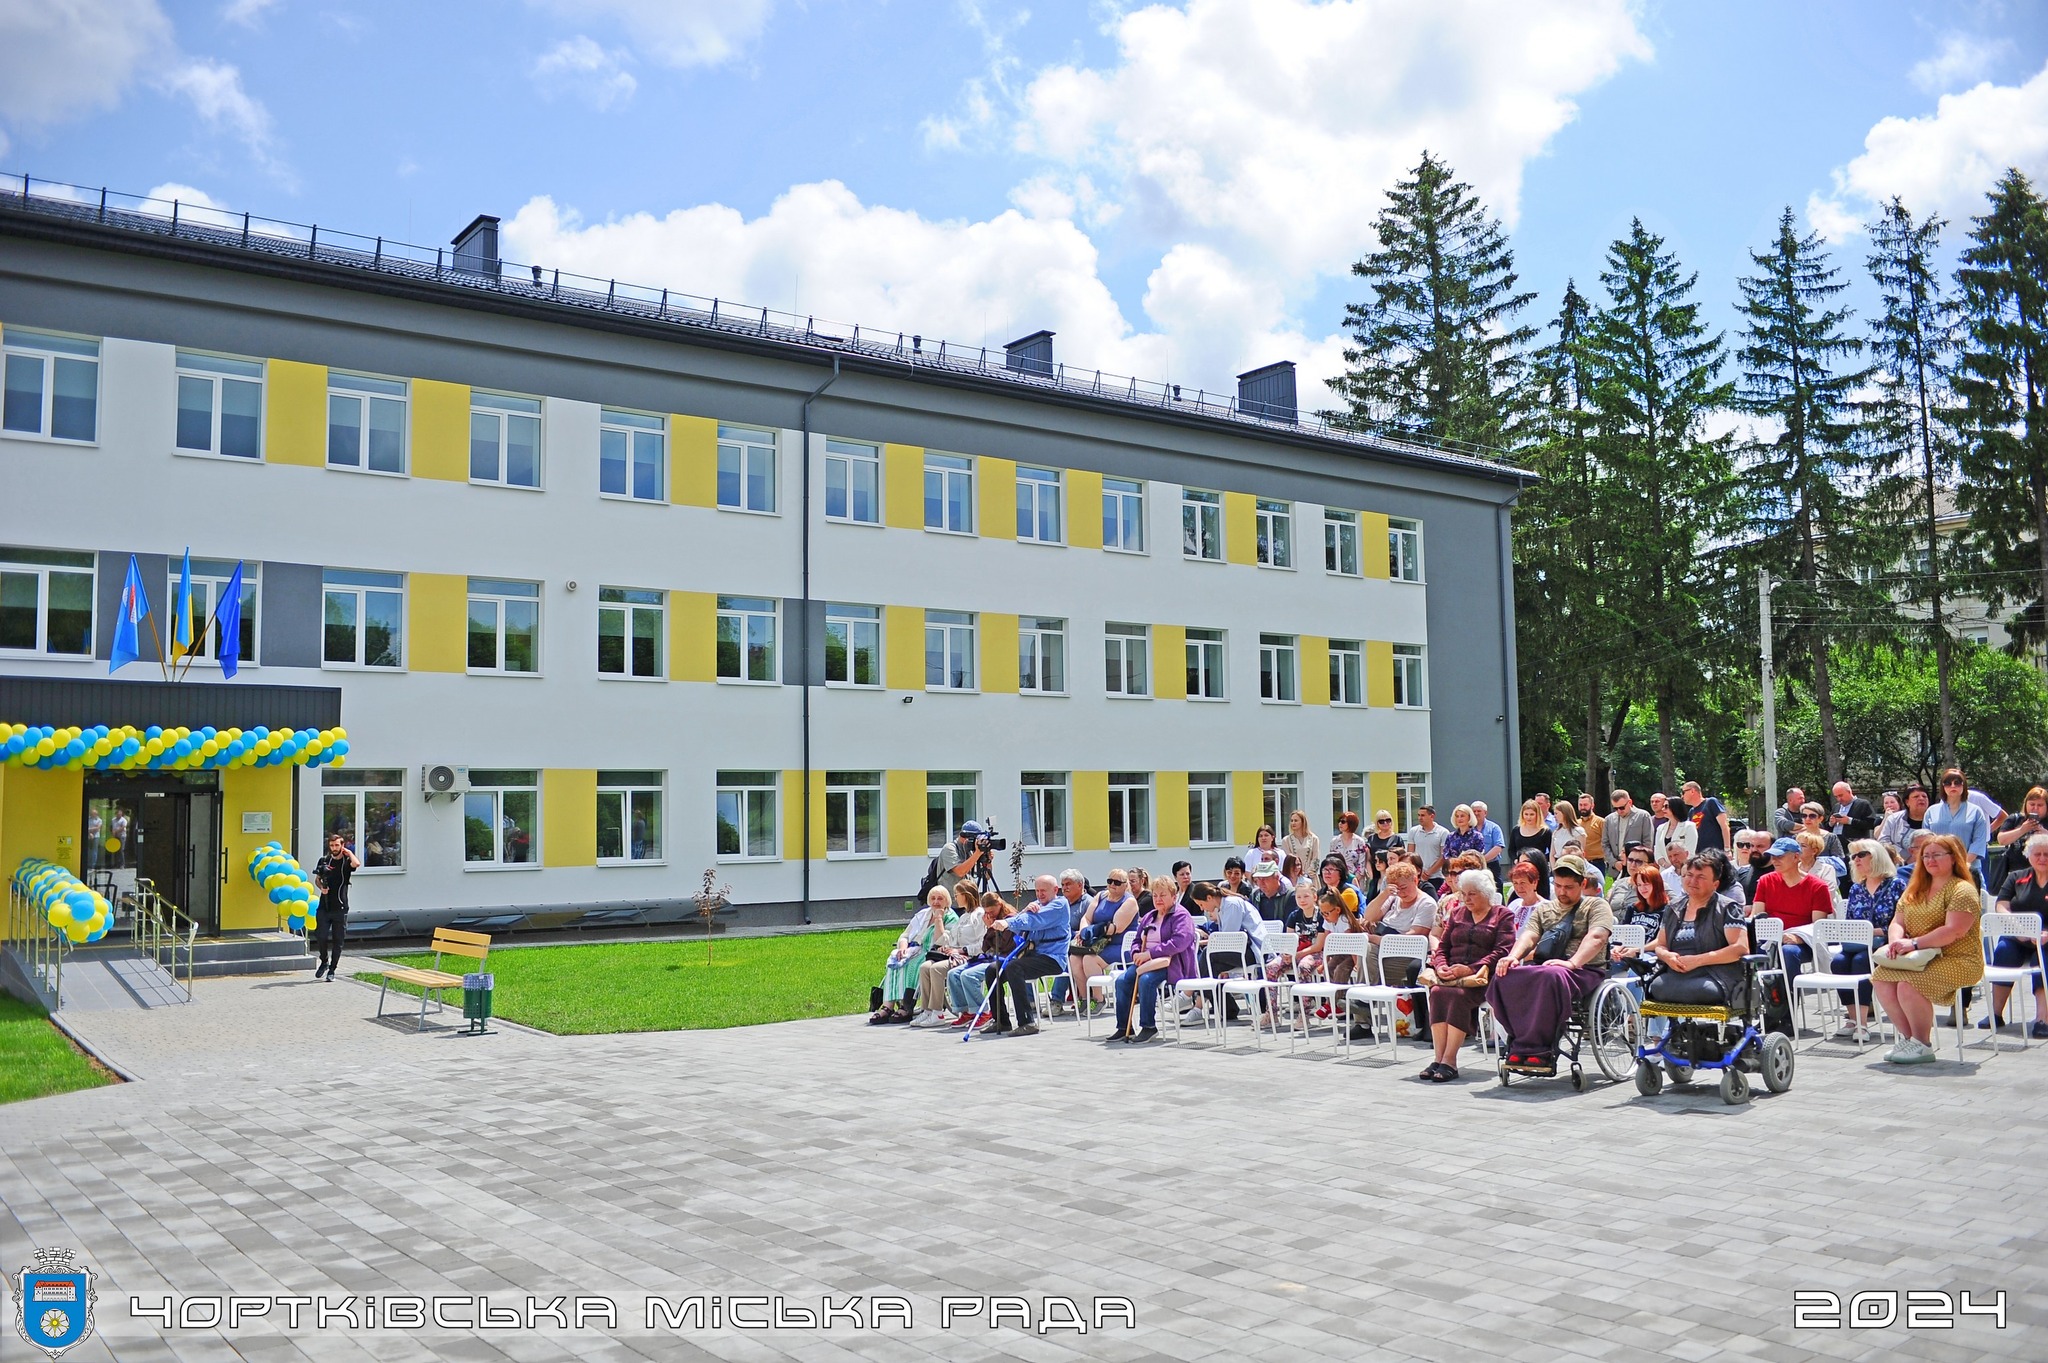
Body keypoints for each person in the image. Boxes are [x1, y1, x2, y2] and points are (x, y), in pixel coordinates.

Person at [1487, 856, 1615, 1074]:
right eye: (1558, 886)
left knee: (1552, 975)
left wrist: (1572, 963)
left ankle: (1540, 1049)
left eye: (1569, 887)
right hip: (1547, 967)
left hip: (1585, 969)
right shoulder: (1545, 910)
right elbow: (1529, 936)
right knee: (1504, 976)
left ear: (1583, 884)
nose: (1562, 892)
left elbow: (1597, 937)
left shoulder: (1597, 906)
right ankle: (1520, 1043)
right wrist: (1512, 957)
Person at [1873, 833, 1985, 1064]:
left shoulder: (1962, 890)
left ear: (1954, 858)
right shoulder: (1915, 888)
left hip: (1959, 959)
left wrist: (1913, 943)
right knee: (1881, 979)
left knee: (1908, 985)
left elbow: (1954, 930)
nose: (1930, 860)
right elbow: (1897, 921)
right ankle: (1910, 1040)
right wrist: (1895, 941)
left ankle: (1922, 1044)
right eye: (1925, 856)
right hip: (1918, 957)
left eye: (1937, 855)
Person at [1419, 869, 1518, 1082]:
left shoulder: (1502, 915)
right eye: (1464, 893)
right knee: (1436, 992)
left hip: (1483, 977)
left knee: (1458, 996)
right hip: (1451, 974)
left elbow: (1502, 950)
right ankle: (1438, 1059)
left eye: (1472, 894)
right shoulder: (1457, 914)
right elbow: (1443, 946)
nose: (1466, 898)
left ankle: (1450, 1061)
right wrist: (1441, 966)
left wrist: (1471, 968)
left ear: (1486, 893)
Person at [1642, 856, 1751, 1009]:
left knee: (1703, 990)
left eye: (1701, 877)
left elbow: (1740, 948)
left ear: (1715, 884)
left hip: (1714, 975)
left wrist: (1698, 960)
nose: (1693, 881)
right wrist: (1667, 956)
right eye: (1689, 875)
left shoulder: (1727, 908)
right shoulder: (1673, 907)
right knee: (1657, 987)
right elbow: (1661, 945)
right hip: (1676, 973)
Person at [1108, 875, 1199, 1044]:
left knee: (1146, 981)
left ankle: (1149, 1027)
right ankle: (1123, 1027)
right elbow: (1136, 940)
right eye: (1155, 895)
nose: (1158, 899)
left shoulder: (1181, 916)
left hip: (1171, 963)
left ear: (1173, 896)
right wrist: (1135, 953)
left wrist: (1150, 954)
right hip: (1144, 961)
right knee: (1121, 981)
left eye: (1162, 895)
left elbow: (1179, 942)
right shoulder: (1150, 916)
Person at [1356, 858, 1438, 1041]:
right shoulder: (1393, 899)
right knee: (1366, 951)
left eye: (1404, 887)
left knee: (1368, 954)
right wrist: (1385, 894)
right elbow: (1369, 916)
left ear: (1416, 881)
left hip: (1407, 955)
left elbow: (1415, 936)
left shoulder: (1426, 904)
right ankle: (1362, 1008)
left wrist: (1377, 939)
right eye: (1396, 888)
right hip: (1382, 949)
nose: (1401, 892)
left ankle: (1362, 1010)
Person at [985, 873, 1076, 1037]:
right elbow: (1021, 928)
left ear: (1055, 890)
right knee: (993, 969)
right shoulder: (1034, 905)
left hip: (1052, 958)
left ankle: (1027, 1022)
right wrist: (1023, 912)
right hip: (1032, 956)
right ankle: (1001, 1020)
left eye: (1044, 891)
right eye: (1037, 891)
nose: (1039, 895)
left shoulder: (1060, 905)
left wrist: (1008, 922)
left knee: (1014, 967)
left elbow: (1036, 921)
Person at [1834, 839, 1906, 1040]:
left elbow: (1903, 921)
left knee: (1860, 962)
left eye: (1861, 855)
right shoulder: (1857, 888)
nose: (1855, 860)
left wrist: (1875, 932)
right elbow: (1850, 921)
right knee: (1838, 962)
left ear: (1877, 856)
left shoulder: (1896, 885)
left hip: (1885, 941)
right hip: (1858, 942)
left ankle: (1863, 1024)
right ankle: (1854, 1018)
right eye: (1853, 856)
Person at [1752, 835, 1835, 997]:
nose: (1774, 860)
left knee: (1788, 952)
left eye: (1780, 856)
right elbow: (1758, 917)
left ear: (1796, 857)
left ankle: (1788, 1006)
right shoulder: (1765, 881)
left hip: (1802, 942)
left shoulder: (1818, 886)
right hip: (1769, 939)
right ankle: (1760, 1004)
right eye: (1772, 856)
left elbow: (1818, 926)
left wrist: (1798, 937)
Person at [1986, 831, 2048, 1038]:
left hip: (2046, 940)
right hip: (2018, 935)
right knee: (2004, 951)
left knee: (2043, 961)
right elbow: (2001, 905)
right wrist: (2019, 929)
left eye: (2047, 854)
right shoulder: (2016, 877)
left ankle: (2042, 1019)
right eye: (2037, 854)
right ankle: (1995, 1013)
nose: (2042, 858)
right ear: (2029, 856)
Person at [871, 886, 958, 1024]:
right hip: (914, 949)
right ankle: (888, 1006)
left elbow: (940, 941)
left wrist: (939, 919)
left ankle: (906, 1006)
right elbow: (905, 935)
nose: (936, 902)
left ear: (947, 901)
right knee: (894, 962)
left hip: (934, 953)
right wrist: (903, 948)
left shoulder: (951, 917)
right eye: (933, 898)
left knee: (912, 965)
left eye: (940, 898)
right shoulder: (923, 914)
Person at [912, 885, 990, 1027]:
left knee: (936, 968)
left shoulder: (978, 915)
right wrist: (948, 947)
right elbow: (948, 939)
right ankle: (927, 1010)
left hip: (970, 957)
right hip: (955, 955)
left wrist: (962, 950)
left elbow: (982, 944)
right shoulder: (964, 916)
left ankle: (937, 1013)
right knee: (924, 967)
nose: (955, 898)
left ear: (966, 895)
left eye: (957, 895)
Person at [1066, 869, 1133, 1020]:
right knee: (1075, 958)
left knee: (1089, 959)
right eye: (1110, 881)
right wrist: (1083, 931)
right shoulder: (1100, 896)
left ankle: (1099, 999)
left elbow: (1116, 928)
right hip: (1097, 942)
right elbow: (1087, 917)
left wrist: (1092, 931)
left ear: (1125, 885)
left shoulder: (1129, 902)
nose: (1112, 885)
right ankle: (1084, 999)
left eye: (1117, 882)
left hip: (1120, 945)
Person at [310, 830, 360, 982]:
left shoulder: (346, 862)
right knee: (321, 935)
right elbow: (317, 879)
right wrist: (321, 887)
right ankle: (324, 961)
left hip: (340, 906)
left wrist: (348, 852)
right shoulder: (324, 860)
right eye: (331, 845)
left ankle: (332, 970)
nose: (334, 848)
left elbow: (356, 863)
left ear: (342, 845)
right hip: (324, 905)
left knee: (338, 940)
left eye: (337, 845)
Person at [1925, 768, 1991, 880]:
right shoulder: (1931, 811)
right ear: (1942, 787)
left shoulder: (1975, 811)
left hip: (1968, 869)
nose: (1952, 786)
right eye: (1948, 783)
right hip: (1937, 871)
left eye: (1957, 783)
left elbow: (1978, 842)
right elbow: (1926, 841)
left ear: (1964, 786)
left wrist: (1960, 865)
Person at [1880, 784, 1932, 863]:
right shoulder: (1894, 819)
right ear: (1907, 802)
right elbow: (1883, 841)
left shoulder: (1935, 819)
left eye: (1924, 796)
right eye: (1916, 797)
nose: (1921, 799)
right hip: (1900, 866)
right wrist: (1906, 856)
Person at [1678, 780, 1730, 853]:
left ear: (1692, 791)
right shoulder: (1691, 812)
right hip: (1699, 855)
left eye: (1683, 792)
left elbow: (1724, 826)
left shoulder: (1711, 802)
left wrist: (1727, 849)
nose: (1682, 796)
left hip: (1715, 853)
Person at [1604, 790, 1654, 868]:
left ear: (1630, 802)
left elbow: (1648, 842)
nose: (1619, 811)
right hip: (1616, 867)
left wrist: (1638, 861)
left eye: (1622, 808)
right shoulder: (1608, 819)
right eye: (1615, 808)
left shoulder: (1643, 816)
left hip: (1637, 865)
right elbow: (1605, 844)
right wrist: (1614, 862)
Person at [1503, 853, 1549, 936]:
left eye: (1523, 882)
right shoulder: (1514, 904)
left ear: (1534, 882)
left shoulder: (1545, 907)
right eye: (1515, 883)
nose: (1519, 887)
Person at [1407, 804, 1449, 885]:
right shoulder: (1413, 831)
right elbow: (1410, 854)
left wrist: (1428, 873)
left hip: (1436, 877)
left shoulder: (1443, 832)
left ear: (1432, 816)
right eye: (1418, 815)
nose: (1419, 818)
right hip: (1417, 876)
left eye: (1423, 815)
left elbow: (1443, 856)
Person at [1828, 781, 1878, 845]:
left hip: (1855, 843)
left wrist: (1850, 821)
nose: (1839, 799)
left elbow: (1871, 824)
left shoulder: (1863, 804)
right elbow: (1826, 826)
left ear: (1849, 792)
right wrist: (1831, 823)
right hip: (1836, 843)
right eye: (1836, 797)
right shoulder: (1836, 806)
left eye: (1841, 795)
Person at [1651, 794, 1698, 862]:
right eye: (1663, 806)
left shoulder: (1689, 827)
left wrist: (1677, 869)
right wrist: (1667, 867)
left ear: (1675, 807)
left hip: (1683, 869)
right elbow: (1657, 853)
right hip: (1664, 870)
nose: (1663, 809)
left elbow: (1690, 853)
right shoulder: (1660, 828)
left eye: (1666, 806)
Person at [1330, 812, 1370, 887]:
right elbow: (1331, 860)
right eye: (1339, 821)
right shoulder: (1334, 841)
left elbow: (1362, 863)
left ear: (1351, 823)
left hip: (1356, 879)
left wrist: (1354, 879)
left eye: (1343, 822)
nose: (1340, 824)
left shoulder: (1359, 841)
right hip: (1337, 878)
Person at [1472, 800, 1506, 881]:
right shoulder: (1468, 829)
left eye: (1479, 811)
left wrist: (1482, 860)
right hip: (1472, 866)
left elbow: (1498, 847)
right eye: (1474, 811)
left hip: (1491, 865)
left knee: (1496, 890)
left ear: (1485, 813)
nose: (1476, 813)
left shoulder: (1494, 828)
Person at [1508, 800, 1550, 865]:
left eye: (1532, 814)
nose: (1528, 817)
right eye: (1526, 814)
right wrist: (1516, 860)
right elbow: (1511, 850)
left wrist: (1542, 860)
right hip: (1520, 866)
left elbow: (1551, 851)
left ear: (1537, 815)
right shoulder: (1516, 830)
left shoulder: (1545, 831)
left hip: (1539, 866)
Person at [1576, 794, 1607, 877]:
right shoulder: (1576, 823)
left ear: (1592, 805)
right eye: (1580, 805)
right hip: (1579, 863)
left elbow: (1607, 842)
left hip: (1596, 863)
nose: (1582, 807)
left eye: (1585, 805)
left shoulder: (1601, 822)